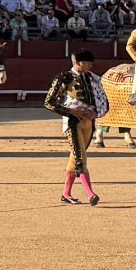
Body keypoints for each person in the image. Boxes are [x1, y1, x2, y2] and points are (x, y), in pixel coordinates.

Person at [45, 43, 109, 205]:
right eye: (87, 63)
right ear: (77, 63)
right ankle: (91, 194)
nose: (90, 65)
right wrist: (71, 111)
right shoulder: (64, 78)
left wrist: (97, 113)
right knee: (80, 158)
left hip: (89, 123)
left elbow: (103, 101)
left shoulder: (93, 78)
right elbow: (49, 102)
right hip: (72, 123)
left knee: (75, 158)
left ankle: (66, 194)